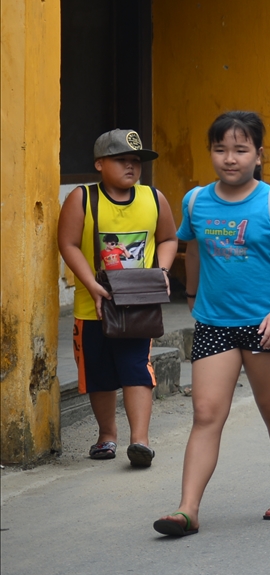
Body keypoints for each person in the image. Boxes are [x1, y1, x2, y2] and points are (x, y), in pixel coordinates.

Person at [153, 112, 270, 537]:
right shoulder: (196, 201)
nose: (230, 158)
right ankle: (187, 508)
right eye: (221, 149)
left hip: (265, 323)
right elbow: (196, 250)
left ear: (258, 155)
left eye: (241, 150)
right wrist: (191, 297)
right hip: (214, 323)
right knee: (205, 413)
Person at [56, 130, 179, 468]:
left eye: (136, 161)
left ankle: (140, 440)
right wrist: (92, 285)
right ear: (99, 163)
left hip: (139, 304)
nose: (131, 166)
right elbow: (66, 243)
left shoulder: (154, 198)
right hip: (92, 304)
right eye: (121, 159)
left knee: (136, 367)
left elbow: (168, 238)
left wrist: (162, 272)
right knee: (98, 371)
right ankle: (106, 435)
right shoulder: (82, 198)